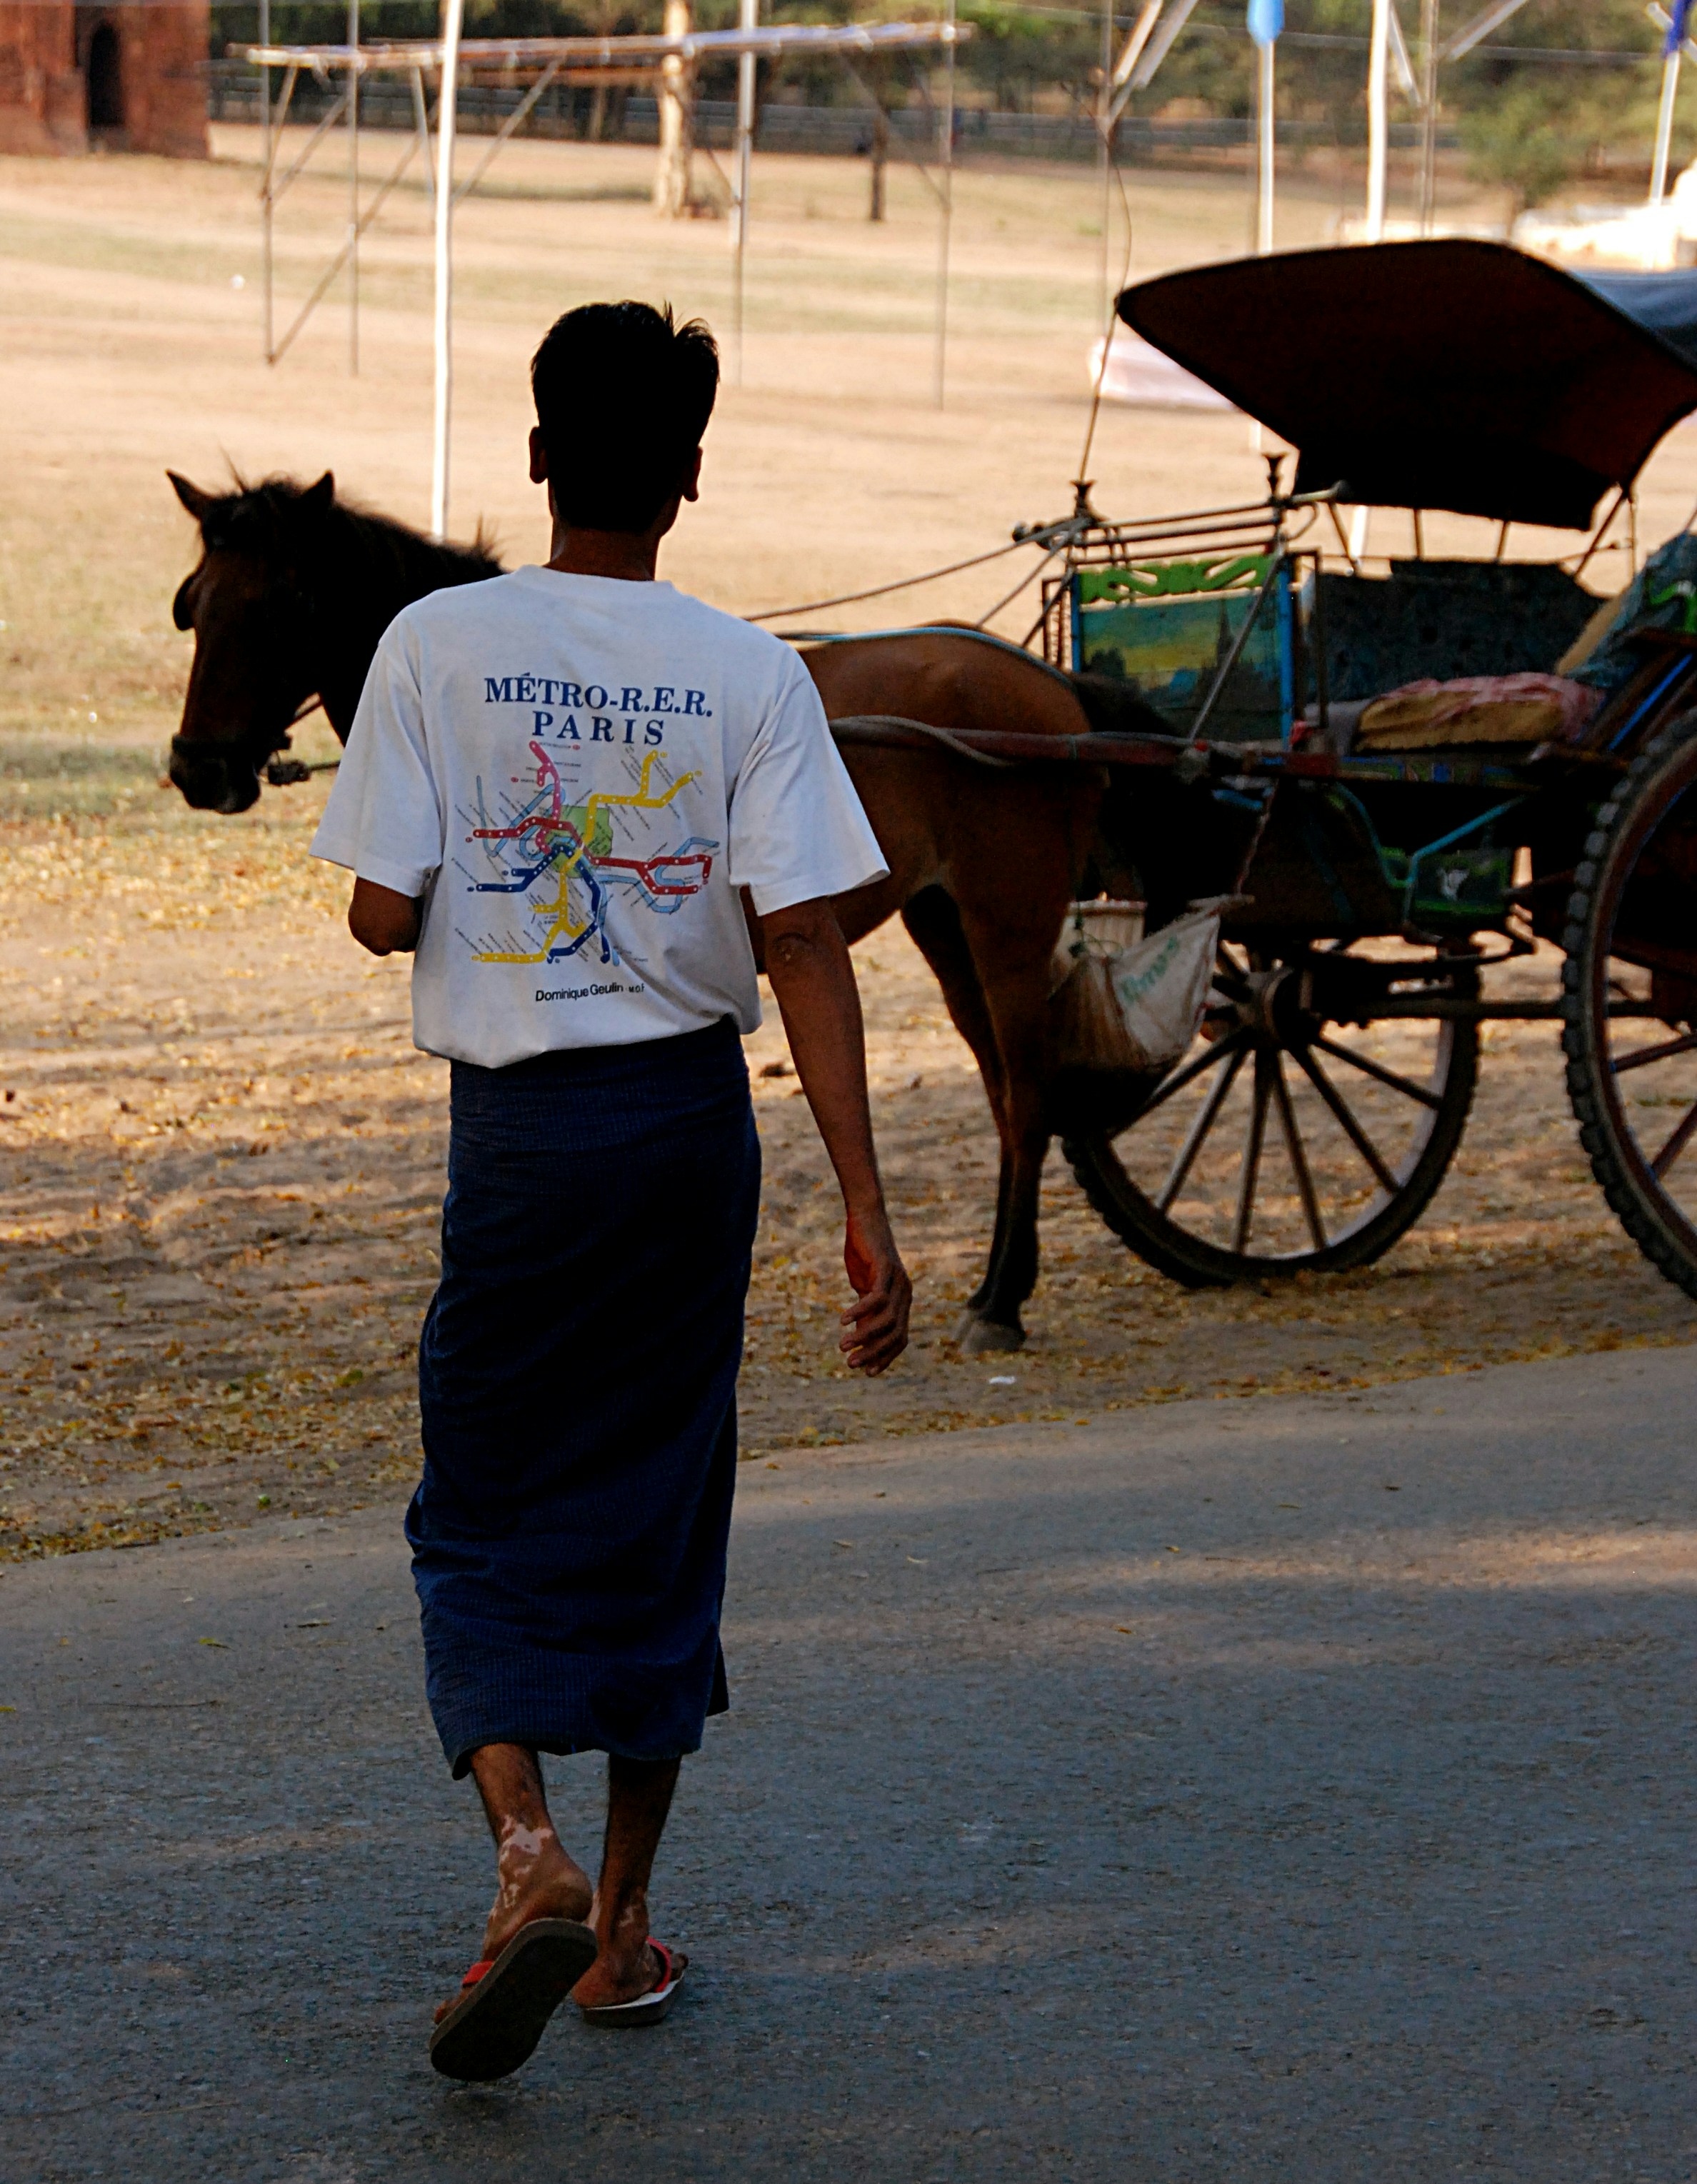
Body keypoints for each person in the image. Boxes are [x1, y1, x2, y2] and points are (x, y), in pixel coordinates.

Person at [311, 300, 911, 2083]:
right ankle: (622, 1930)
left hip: (518, 1147)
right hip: (683, 1138)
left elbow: (379, 909)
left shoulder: (435, 640)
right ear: (693, 474)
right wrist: (868, 1208)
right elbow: (803, 937)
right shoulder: (752, 673)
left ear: (535, 452)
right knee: (660, 1503)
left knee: (480, 1502)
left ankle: (526, 1850)